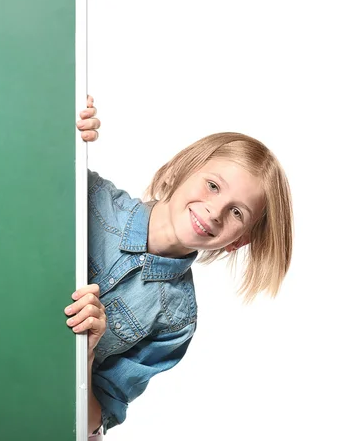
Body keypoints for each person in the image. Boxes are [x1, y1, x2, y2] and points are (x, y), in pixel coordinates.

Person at [65, 96, 293, 439]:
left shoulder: (176, 321)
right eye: (213, 186)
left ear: (238, 242)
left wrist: (85, 354)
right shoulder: (89, 195)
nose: (216, 210)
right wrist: (59, 130)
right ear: (177, 170)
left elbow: (93, 423)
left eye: (236, 213)